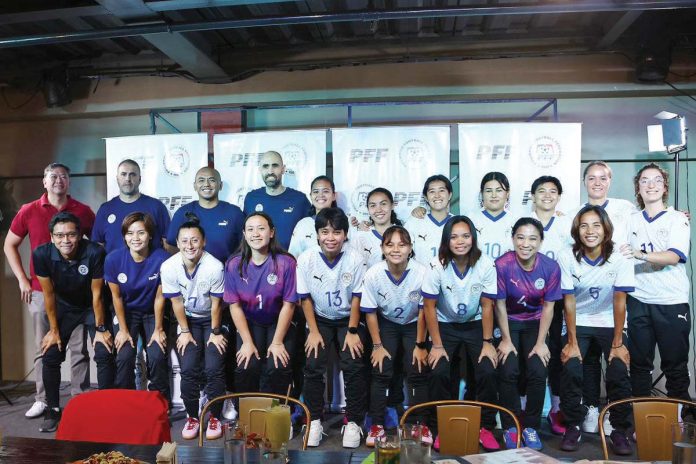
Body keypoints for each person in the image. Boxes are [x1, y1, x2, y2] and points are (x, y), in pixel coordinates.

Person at [3, 162, 93, 419]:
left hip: (76, 292)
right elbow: (10, 245)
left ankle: (81, 398)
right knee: (45, 346)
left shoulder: (83, 211)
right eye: (53, 176)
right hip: (40, 291)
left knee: (79, 348)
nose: (58, 180)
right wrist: (22, 279)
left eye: (63, 176)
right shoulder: (28, 210)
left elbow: (95, 247)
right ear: (44, 182)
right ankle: (43, 399)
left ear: (69, 181)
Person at [557, 205, 634, 454]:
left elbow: (619, 300)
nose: (590, 231)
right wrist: (571, 341)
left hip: (610, 321)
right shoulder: (566, 256)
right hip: (577, 320)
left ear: (606, 229)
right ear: (577, 230)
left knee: (619, 370)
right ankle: (573, 425)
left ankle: (619, 430)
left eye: (596, 225)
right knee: (570, 366)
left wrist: (618, 343)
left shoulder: (619, 258)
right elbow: (568, 302)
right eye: (584, 225)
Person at [421, 216, 499, 451]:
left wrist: (487, 342)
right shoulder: (437, 265)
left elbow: (487, 306)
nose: (460, 241)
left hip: (475, 324)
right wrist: (436, 345)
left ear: (473, 238)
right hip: (445, 325)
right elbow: (429, 307)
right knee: (439, 371)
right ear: (447, 240)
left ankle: (485, 427)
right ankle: (439, 429)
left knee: (487, 368)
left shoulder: (485, 264)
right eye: (454, 236)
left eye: (465, 235)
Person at [32, 212, 112, 432]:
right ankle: (53, 411)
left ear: (80, 235)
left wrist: (101, 329)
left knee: (104, 352)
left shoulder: (95, 252)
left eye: (71, 235)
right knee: (50, 355)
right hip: (64, 307)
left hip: (91, 306)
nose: (65, 240)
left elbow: (97, 295)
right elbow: (48, 295)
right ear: (51, 237)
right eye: (59, 236)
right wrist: (54, 330)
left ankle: (107, 409)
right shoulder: (41, 254)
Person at [622, 163, 692, 414]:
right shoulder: (629, 220)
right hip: (638, 299)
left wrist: (641, 254)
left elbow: (674, 256)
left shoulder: (678, 219)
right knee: (640, 365)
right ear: (638, 189)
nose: (650, 185)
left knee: (675, 365)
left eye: (656, 181)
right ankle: (642, 421)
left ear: (664, 188)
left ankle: (681, 421)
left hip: (671, 301)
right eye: (644, 181)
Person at [575, 161, 638, 434]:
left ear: (609, 181)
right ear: (585, 181)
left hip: (617, 293)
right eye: (591, 178)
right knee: (588, 362)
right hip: (584, 301)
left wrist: (677, 214)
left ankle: (614, 413)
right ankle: (590, 409)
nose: (597, 182)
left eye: (602, 178)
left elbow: (650, 217)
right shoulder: (575, 213)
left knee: (616, 361)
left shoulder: (625, 208)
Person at [297, 207, 368, 448]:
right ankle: (314, 418)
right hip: (320, 319)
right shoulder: (306, 259)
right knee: (313, 364)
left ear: (345, 235)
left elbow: (358, 296)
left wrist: (352, 331)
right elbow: (304, 297)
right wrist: (314, 331)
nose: (330, 237)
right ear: (317, 234)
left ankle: (354, 421)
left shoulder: (355, 259)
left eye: (336, 232)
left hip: (349, 319)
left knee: (354, 364)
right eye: (324, 231)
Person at [361, 225, 432, 447]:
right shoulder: (373, 273)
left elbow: (424, 313)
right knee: (381, 369)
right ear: (382, 248)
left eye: (402, 245)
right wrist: (377, 345)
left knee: (417, 369)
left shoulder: (422, 272)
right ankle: (377, 425)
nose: (396, 250)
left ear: (410, 248)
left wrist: (420, 345)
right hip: (387, 323)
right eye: (390, 244)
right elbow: (370, 312)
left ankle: (419, 423)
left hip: (414, 324)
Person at [495, 217, 562, 451]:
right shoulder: (502, 265)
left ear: (541, 242)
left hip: (536, 324)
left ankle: (531, 426)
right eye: (520, 237)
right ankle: (511, 426)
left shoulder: (550, 267)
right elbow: (499, 304)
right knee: (509, 368)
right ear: (513, 239)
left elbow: (549, 307)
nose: (526, 243)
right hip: (508, 322)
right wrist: (505, 339)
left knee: (537, 369)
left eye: (533, 238)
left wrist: (541, 343)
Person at [161, 219, 227, 441]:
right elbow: (176, 303)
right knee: (188, 368)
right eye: (184, 241)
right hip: (187, 320)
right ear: (177, 243)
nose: (189, 245)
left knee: (214, 367)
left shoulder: (215, 266)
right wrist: (184, 331)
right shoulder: (168, 267)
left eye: (195, 240)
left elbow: (217, 304)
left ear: (204, 242)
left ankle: (215, 415)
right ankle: (192, 416)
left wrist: (216, 333)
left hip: (212, 319)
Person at [224, 212, 298, 394]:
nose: (255, 234)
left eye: (261, 228)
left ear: (271, 232)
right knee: (246, 364)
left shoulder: (286, 262)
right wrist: (247, 342)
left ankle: (278, 415)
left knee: (277, 364)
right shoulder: (234, 264)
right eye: (250, 229)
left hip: (278, 321)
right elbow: (234, 306)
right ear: (244, 234)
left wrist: (278, 342)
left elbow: (289, 304)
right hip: (250, 321)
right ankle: (249, 416)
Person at [104, 212, 170, 395]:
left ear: (150, 235)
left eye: (141, 232)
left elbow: (159, 298)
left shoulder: (162, 259)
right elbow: (116, 297)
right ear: (124, 236)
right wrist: (123, 331)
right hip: (126, 313)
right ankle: (127, 400)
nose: (135, 238)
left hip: (152, 312)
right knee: (124, 355)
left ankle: (159, 400)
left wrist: (158, 329)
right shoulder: (113, 260)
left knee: (157, 354)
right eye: (130, 233)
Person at [529, 176, 573, 435]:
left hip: (556, 302)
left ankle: (557, 410)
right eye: (541, 191)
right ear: (532, 196)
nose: (547, 195)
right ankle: (524, 409)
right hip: (525, 305)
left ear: (559, 196)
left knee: (557, 357)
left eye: (553, 191)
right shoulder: (520, 223)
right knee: (528, 358)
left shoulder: (567, 224)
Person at [167, 166, 244, 264]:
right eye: (201, 180)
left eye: (212, 180)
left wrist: (233, 268)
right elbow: (171, 245)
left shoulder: (234, 213)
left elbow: (245, 245)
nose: (206, 184)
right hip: (192, 276)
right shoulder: (183, 213)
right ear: (195, 186)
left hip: (227, 275)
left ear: (220, 185)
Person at [92, 159, 170, 253]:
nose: (128, 179)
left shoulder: (156, 206)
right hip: (115, 267)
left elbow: (168, 244)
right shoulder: (105, 209)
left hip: (150, 267)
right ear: (117, 178)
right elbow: (98, 245)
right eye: (123, 174)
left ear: (139, 179)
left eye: (132, 174)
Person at [243, 151, 311, 250]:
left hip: (291, 262)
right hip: (259, 262)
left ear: (283, 169)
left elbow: (310, 232)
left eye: (275, 166)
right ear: (260, 169)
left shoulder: (299, 199)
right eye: (265, 166)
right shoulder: (251, 198)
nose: (270, 171)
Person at [405, 174, 454, 266]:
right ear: (426, 197)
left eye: (442, 190)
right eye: (432, 192)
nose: (437, 196)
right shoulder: (414, 222)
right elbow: (403, 253)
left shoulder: (457, 223)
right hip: (421, 279)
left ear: (450, 195)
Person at [468, 172, 519, 260]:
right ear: (482, 194)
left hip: (508, 273)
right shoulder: (471, 220)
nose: (494, 195)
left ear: (507, 193)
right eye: (488, 191)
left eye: (499, 190)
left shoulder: (516, 221)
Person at [352, 188, 403, 267]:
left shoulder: (404, 234)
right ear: (368, 209)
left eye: (383, 204)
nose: (378, 210)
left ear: (392, 205)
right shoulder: (360, 237)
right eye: (373, 205)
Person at [289, 175, 337, 258]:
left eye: (325, 191)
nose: (320, 195)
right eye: (315, 192)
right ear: (310, 196)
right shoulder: (303, 224)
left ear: (333, 196)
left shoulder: (344, 222)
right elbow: (293, 257)